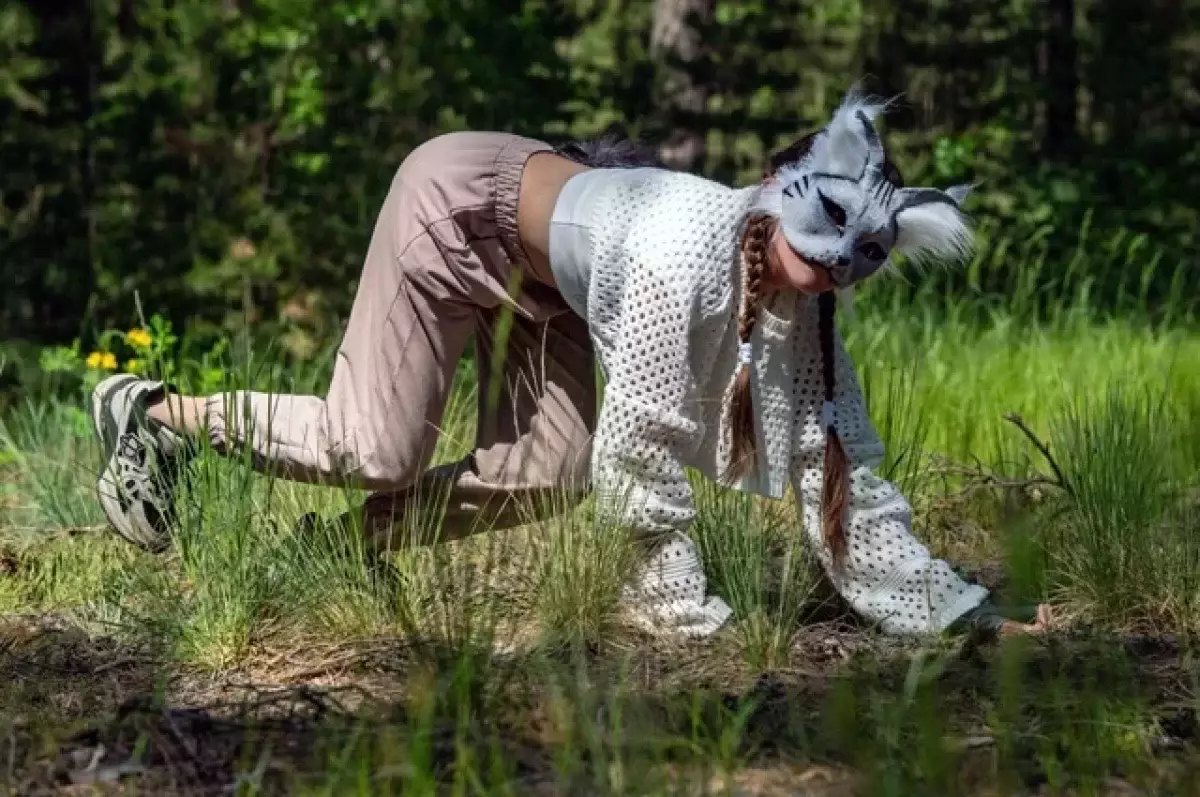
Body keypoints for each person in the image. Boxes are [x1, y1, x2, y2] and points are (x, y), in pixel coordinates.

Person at [89, 89, 1053, 641]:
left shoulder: (800, 295)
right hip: (460, 205)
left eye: (864, 257)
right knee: (373, 445)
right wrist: (681, 612)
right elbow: (638, 452)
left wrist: (950, 608)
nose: (837, 264)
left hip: (552, 279)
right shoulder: (682, 254)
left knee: (545, 473)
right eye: (827, 232)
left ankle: (331, 557)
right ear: (776, 191)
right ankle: (156, 412)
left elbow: (835, 457)